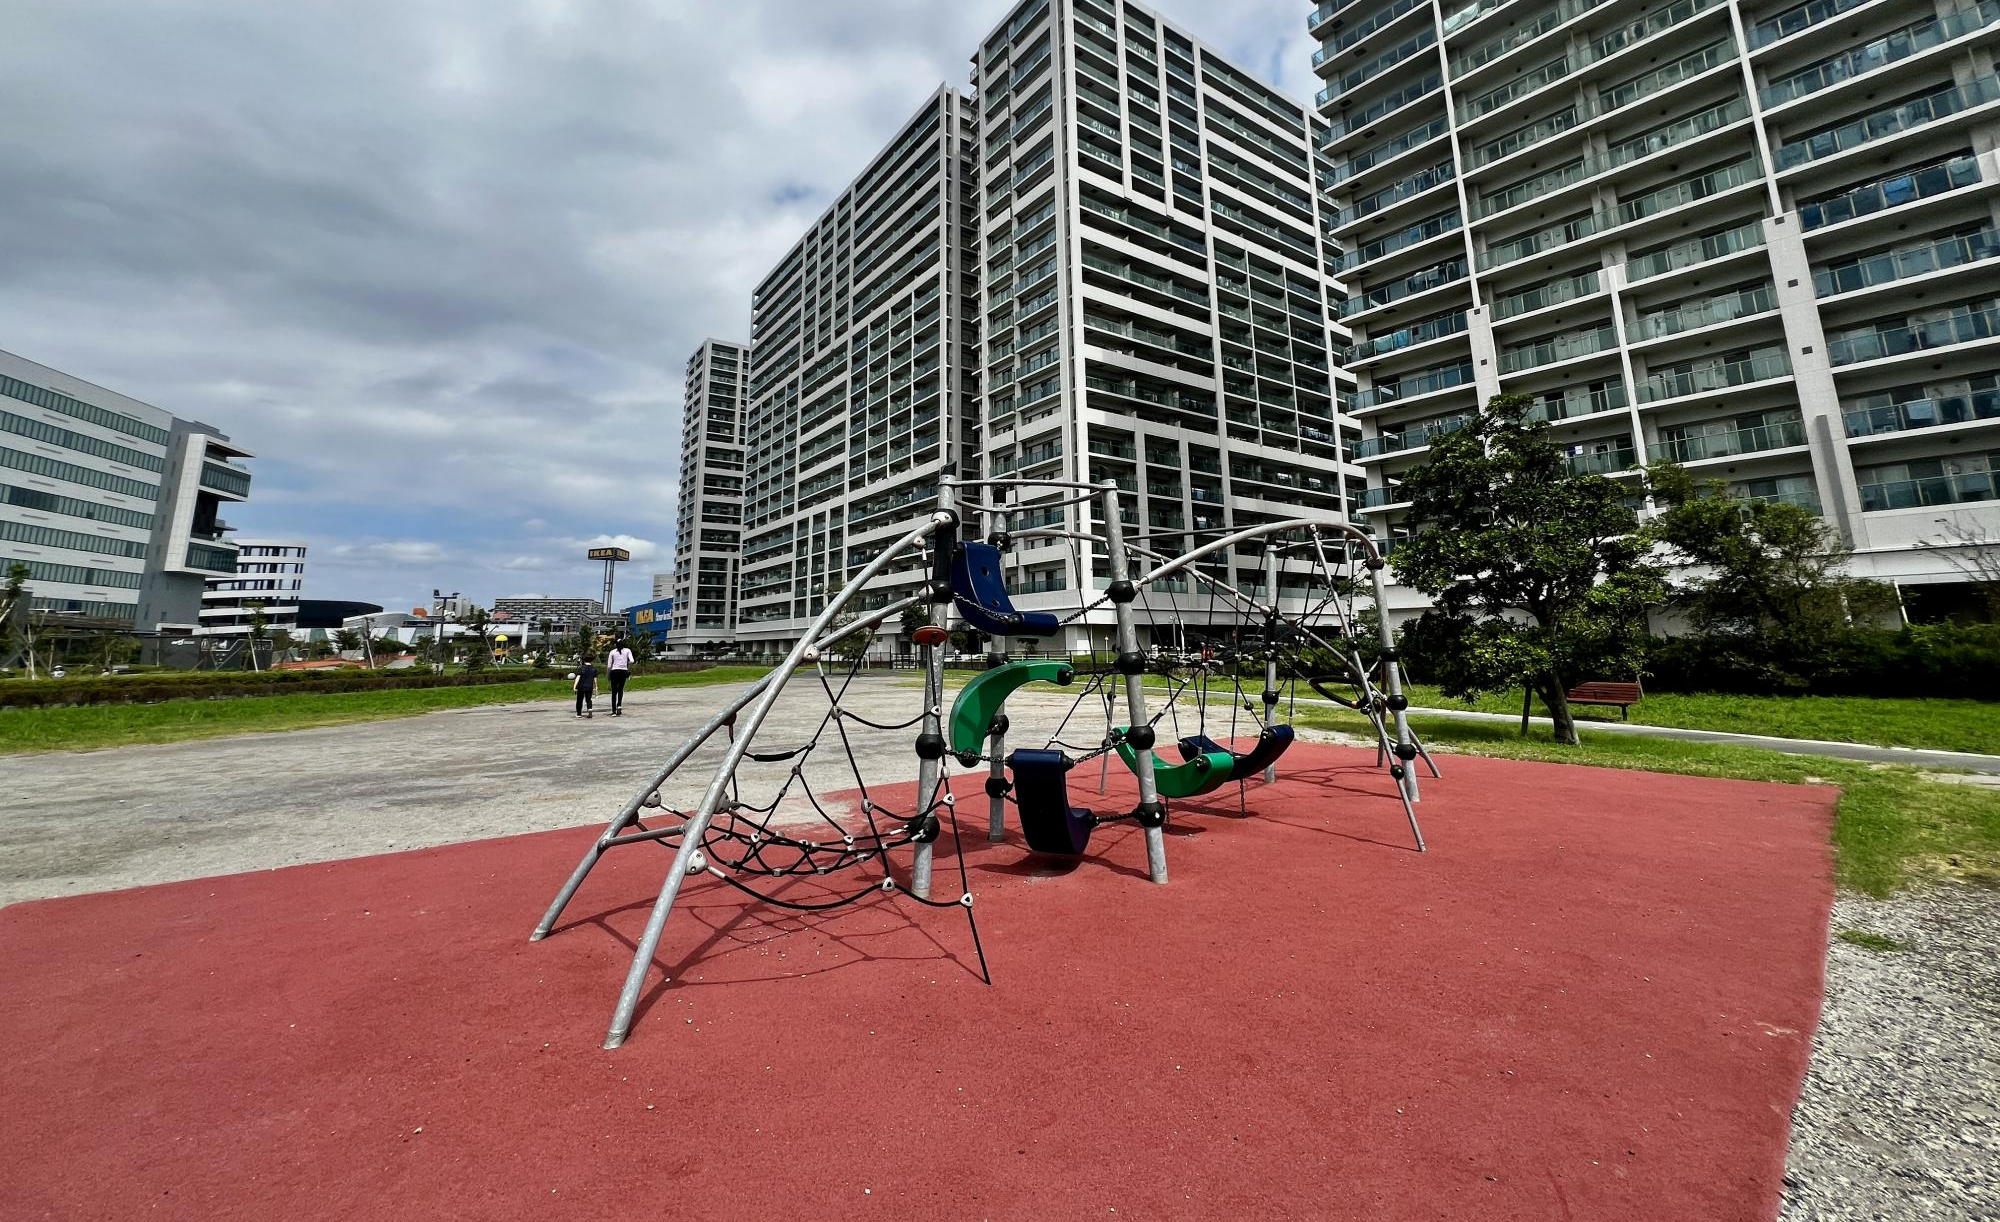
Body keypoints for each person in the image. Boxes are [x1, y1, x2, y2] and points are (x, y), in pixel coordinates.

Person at [606, 637, 636, 716]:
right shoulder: (627, 650)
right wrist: (627, 666)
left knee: (614, 691)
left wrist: (608, 674)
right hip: (623, 671)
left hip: (614, 671)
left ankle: (613, 711)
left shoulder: (612, 652)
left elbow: (609, 665)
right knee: (620, 689)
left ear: (615, 645)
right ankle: (619, 705)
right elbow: (632, 660)